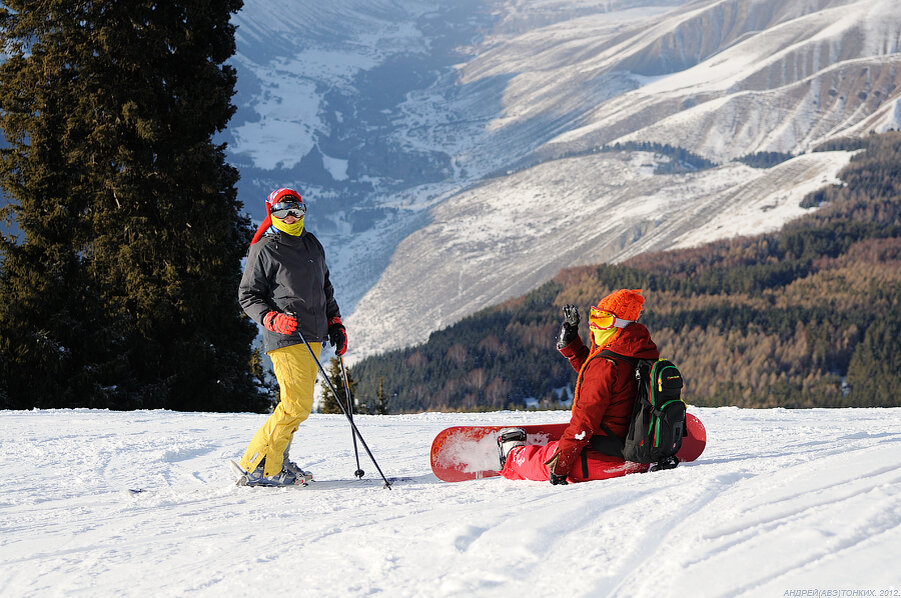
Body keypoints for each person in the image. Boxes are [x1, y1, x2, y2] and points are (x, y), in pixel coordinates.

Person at [235, 187, 347, 486]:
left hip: (313, 335)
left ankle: (276, 462)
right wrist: (272, 318)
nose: (290, 216)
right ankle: (258, 465)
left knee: (298, 406)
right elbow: (248, 296)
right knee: (295, 405)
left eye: (296, 210)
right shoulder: (265, 248)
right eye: (282, 211)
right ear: (271, 213)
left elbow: (325, 288)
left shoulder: (312, 244)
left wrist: (335, 322)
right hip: (286, 334)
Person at [497, 289, 659, 484]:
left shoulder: (607, 364)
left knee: (545, 459)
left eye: (603, 320)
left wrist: (560, 465)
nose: (594, 325)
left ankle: (513, 455)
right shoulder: (641, 353)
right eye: (594, 316)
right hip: (639, 458)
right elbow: (605, 378)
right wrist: (572, 346)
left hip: (604, 462)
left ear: (620, 325)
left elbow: (585, 421)